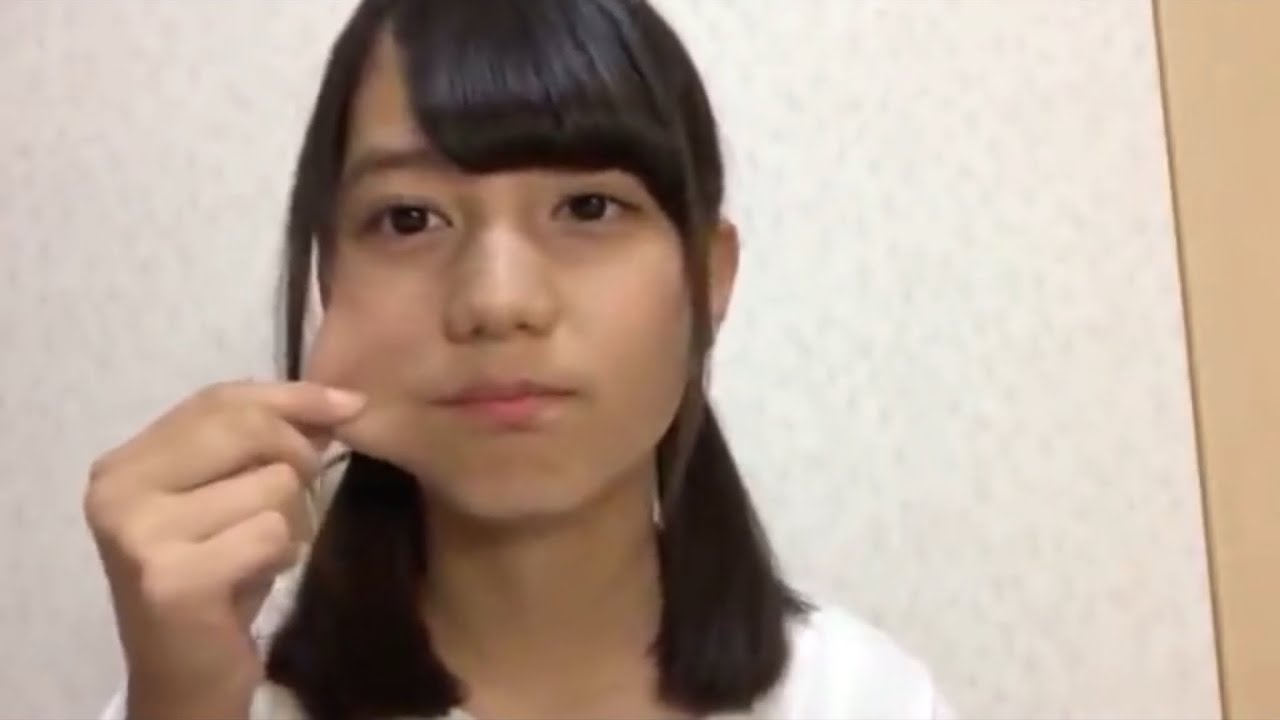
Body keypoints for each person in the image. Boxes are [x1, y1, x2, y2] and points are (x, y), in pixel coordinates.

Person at [86, 0, 953, 718]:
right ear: (330, 279)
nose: (498, 301)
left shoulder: (863, 700)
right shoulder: (210, 696)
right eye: (410, 219)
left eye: (588, 208)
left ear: (709, 277)